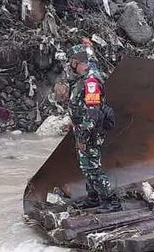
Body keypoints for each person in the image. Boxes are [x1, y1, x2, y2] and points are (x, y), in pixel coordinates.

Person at [63, 41, 122, 212]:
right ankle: (93, 197)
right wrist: (88, 46)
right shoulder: (89, 69)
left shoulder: (91, 81)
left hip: (91, 132)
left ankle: (111, 201)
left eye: (72, 63)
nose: (70, 66)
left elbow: (93, 113)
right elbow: (92, 58)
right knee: (86, 166)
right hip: (83, 128)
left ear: (76, 62)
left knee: (93, 167)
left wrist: (83, 137)